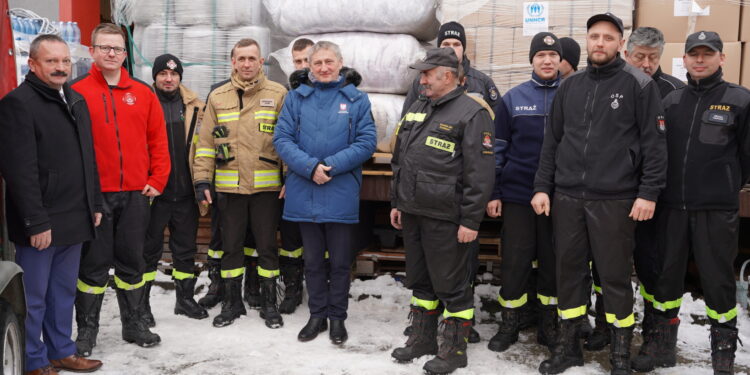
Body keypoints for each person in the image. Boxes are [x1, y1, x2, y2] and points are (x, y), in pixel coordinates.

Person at [532, 13, 667, 374]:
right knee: (569, 274)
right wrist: (543, 187)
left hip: (615, 199)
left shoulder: (639, 86)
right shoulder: (570, 86)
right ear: (587, 40)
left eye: (609, 37)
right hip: (568, 198)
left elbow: (655, 147)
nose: (600, 43)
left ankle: (620, 354)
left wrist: (648, 193)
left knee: (615, 277)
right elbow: (552, 142)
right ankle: (568, 348)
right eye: (595, 36)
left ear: (621, 44)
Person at [632, 31, 750, 374]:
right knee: (664, 279)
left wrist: (725, 185)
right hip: (671, 209)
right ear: (683, 59)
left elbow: (746, 157)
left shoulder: (740, 100)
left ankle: (723, 355)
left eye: (707, 54)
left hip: (715, 210)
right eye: (693, 54)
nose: (700, 60)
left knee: (717, 280)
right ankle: (661, 347)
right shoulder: (670, 102)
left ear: (721, 58)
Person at [0, 34, 104, 375]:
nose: (60, 67)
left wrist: (95, 202)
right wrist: (35, 221)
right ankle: (33, 359)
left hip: (75, 216)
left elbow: (88, 158)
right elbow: (20, 170)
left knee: (62, 293)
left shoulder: (75, 100)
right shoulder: (19, 103)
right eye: (51, 61)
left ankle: (61, 351)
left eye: (64, 61)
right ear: (32, 64)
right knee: (34, 297)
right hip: (41, 223)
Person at [389, 47, 495, 375]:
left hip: (447, 216)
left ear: (446, 76)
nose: (421, 79)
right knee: (421, 282)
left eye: (426, 74)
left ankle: (454, 348)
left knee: (451, 285)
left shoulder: (473, 112)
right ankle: (423, 339)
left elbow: (481, 173)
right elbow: (400, 157)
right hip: (413, 210)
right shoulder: (419, 106)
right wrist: (397, 201)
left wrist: (471, 219)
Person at [72, 23, 169, 355]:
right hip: (95, 196)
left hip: (135, 194)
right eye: (104, 48)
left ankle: (135, 323)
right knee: (93, 267)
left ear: (125, 54)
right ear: (92, 51)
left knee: (133, 263)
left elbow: (158, 140)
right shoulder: (77, 92)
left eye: (117, 49)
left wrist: (157, 180)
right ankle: (87, 331)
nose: (111, 54)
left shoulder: (143, 92)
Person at [274, 41, 376, 345]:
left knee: (342, 261)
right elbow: (281, 139)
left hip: (340, 189)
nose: (323, 68)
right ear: (309, 66)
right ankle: (316, 315)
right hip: (305, 189)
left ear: (340, 63)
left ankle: (337, 318)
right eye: (317, 63)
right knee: (314, 260)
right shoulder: (295, 99)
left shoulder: (356, 100)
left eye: (329, 62)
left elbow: (366, 142)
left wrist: (328, 166)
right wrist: (310, 167)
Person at [193, 38, 287, 329]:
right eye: (241, 58)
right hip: (229, 189)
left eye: (252, 59)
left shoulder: (278, 93)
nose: (246, 64)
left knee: (267, 248)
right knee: (231, 248)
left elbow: (286, 141)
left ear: (261, 63)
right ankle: (232, 305)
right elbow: (206, 143)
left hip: (266, 190)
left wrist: (291, 179)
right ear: (233, 62)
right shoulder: (218, 97)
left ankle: (269, 305)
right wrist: (201, 180)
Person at [486, 32, 561, 354]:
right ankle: (510, 322)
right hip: (518, 196)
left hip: (559, 199)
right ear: (532, 60)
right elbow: (498, 151)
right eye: (541, 56)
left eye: (553, 56)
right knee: (515, 262)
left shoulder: (571, 96)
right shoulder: (513, 99)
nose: (547, 61)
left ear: (560, 61)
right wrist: (494, 192)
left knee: (553, 262)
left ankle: (548, 324)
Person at [619, 26, 688, 370]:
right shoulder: (614, 86)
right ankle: (611, 329)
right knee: (614, 267)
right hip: (617, 196)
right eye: (639, 57)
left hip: (661, 200)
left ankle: (659, 339)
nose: (646, 64)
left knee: (658, 269)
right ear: (627, 53)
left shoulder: (675, 92)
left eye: (653, 57)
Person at [141, 54, 208, 323]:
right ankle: (141, 306)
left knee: (185, 250)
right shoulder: (145, 103)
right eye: (163, 75)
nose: (168, 79)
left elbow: (205, 147)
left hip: (185, 194)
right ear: (155, 77)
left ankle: (185, 300)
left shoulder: (195, 107)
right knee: (148, 251)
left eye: (173, 75)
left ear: (180, 77)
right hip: (154, 194)